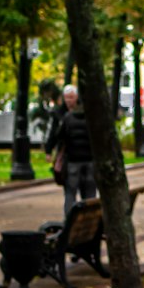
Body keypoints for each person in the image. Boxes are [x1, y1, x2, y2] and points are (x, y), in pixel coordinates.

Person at [46, 84, 95, 218]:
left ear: (77, 98)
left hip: (73, 161)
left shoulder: (67, 117)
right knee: (89, 194)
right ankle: (88, 220)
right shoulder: (90, 116)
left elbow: (58, 135)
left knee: (70, 193)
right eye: (67, 98)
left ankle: (69, 222)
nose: (68, 101)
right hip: (90, 161)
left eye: (71, 97)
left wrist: (51, 150)